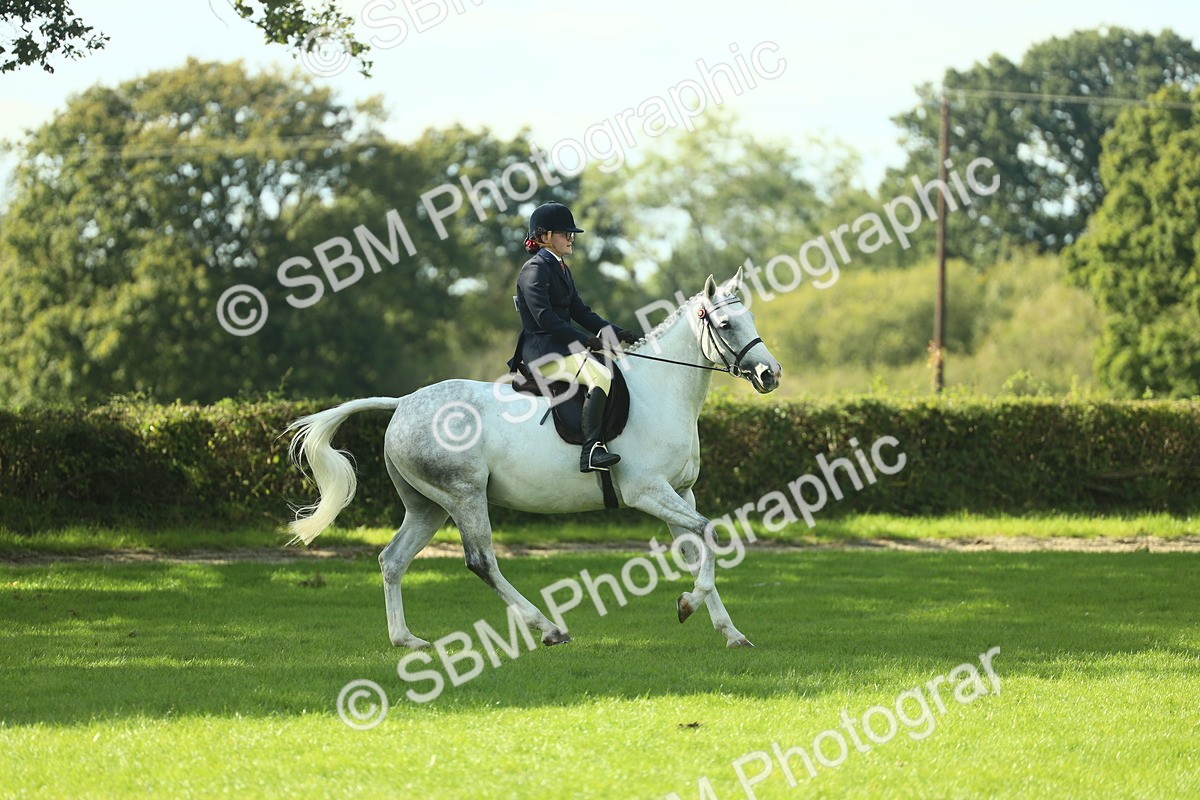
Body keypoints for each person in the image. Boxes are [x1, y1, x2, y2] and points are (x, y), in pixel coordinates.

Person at [507, 202, 639, 472]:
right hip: (543, 351)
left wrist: (615, 331)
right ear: (544, 237)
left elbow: (581, 311)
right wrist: (585, 340)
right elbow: (544, 317)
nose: (571, 238)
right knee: (601, 375)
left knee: (607, 365)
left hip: (562, 348)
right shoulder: (535, 269)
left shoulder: (561, 268)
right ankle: (590, 450)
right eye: (564, 233)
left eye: (572, 234)